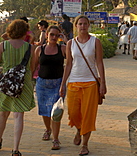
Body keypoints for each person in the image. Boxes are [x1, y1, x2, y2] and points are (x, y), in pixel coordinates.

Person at [0, 19, 35, 156]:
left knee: (3, 113)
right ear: (25, 32)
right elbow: (32, 68)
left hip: (7, 84)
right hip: (23, 84)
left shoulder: (3, 45)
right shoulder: (30, 47)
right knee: (18, 116)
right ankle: (16, 149)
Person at [59, 15, 107, 156]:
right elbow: (68, 65)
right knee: (73, 114)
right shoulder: (71, 44)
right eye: (80, 24)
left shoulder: (95, 42)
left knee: (88, 115)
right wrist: (63, 84)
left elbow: (99, 63)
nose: (82, 26)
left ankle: (85, 144)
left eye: (85, 24)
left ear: (88, 25)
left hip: (91, 83)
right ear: (76, 26)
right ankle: (79, 130)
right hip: (73, 82)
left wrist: (103, 83)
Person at [32, 25, 66, 150]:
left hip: (58, 84)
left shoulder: (62, 48)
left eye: (57, 35)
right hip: (42, 85)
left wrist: (65, 39)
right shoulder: (39, 50)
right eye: (52, 34)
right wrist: (30, 84)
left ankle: (56, 139)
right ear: (46, 35)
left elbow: (73, 56)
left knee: (56, 112)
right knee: (45, 111)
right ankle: (48, 129)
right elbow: (34, 66)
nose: (54, 37)